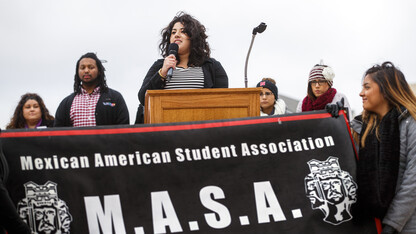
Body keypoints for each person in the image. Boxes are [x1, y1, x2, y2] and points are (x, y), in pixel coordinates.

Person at [351, 62, 416, 233]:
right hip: (369, 226)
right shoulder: (360, 129)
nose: (361, 93)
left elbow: (413, 181)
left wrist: (392, 225)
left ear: (385, 90)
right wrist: (332, 119)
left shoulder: (411, 124)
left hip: (405, 227)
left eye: (367, 87)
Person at [136, 12, 228, 123]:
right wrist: (162, 73)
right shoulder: (160, 66)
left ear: (194, 37)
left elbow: (222, 102)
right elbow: (143, 98)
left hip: (202, 131)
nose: (176, 35)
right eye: (173, 32)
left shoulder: (212, 67)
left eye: (183, 31)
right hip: (166, 132)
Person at [54, 52, 129, 127]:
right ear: (77, 72)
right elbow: (57, 131)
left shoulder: (115, 98)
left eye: (91, 67)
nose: (86, 71)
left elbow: (124, 127)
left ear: (99, 71)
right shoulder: (66, 103)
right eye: (82, 68)